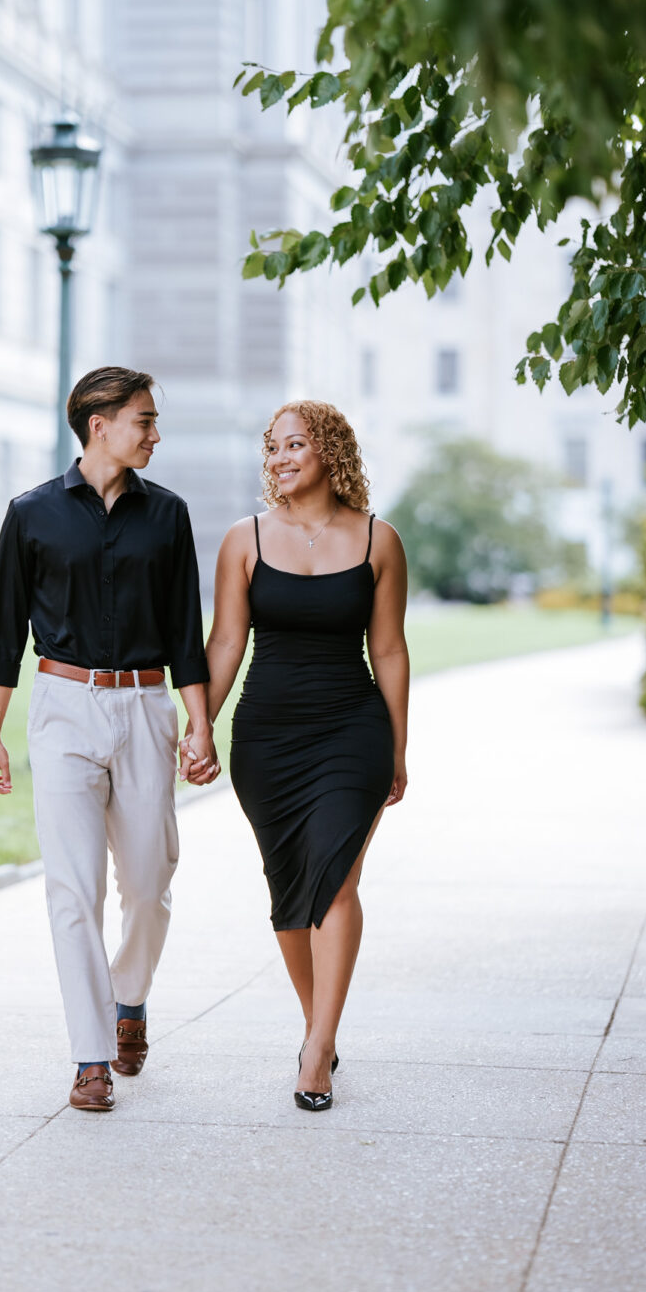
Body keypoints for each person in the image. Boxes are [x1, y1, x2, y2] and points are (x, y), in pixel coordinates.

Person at [0, 367, 219, 1113]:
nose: (154, 434)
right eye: (143, 421)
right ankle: (91, 1057)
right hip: (61, 706)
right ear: (99, 424)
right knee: (71, 887)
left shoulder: (168, 515)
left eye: (153, 421)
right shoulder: (32, 514)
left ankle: (129, 998)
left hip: (147, 707)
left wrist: (201, 720)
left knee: (148, 886)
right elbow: (2, 630)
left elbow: (185, 628)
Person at [188, 400, 408, 1112]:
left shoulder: (379, 540)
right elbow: (225, 643)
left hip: (353, 730)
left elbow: (391, 650)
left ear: (331, 452)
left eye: (295, 445)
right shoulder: (243, 539)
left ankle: (317, 1051)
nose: (280, 458)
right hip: (267, 738)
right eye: (272, 447)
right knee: (289, 892)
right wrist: (199, 725)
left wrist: (399, 749)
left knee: (335, 880)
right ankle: (322, 1024)